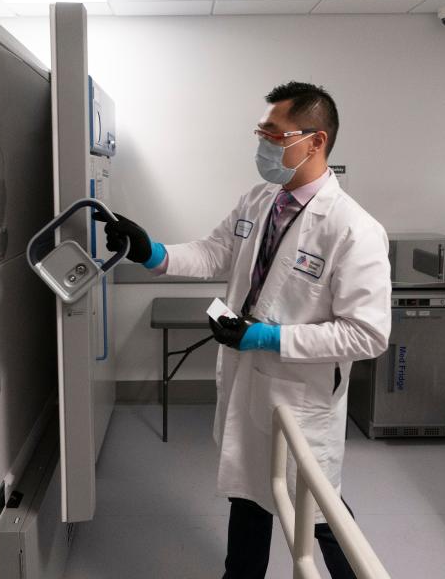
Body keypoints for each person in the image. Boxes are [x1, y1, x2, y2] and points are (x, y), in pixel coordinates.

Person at [96, 81, 392, 578]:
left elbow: (367, 334)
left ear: (315, 141)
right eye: (261, 130)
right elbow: (216, 252)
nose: (262, 142)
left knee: (318, 512)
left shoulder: (353, 228)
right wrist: (154, 252)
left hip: (299, 397)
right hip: (246, 378)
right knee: (248, 492)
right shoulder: (260, 201)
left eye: (273, 134)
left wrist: (270, 337)